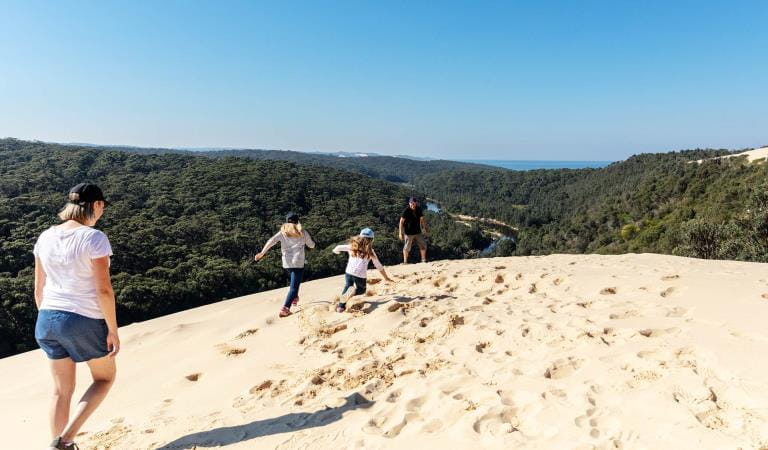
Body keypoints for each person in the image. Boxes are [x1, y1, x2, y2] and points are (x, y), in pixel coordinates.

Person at [34, 183, 119, 450]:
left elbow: (38, 289)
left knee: (61, 391)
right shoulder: (94, 238)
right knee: (104, 378)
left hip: (46, 318)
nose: (102, 211)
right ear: (96, 205)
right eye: (102, 206)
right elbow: (103, 290)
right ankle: (65, 440)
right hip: (81, 318)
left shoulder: (45, 236)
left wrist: (51, 320)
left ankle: (58, 445)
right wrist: (113, 329)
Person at [255, 212, 316, 317]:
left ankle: (294, 297)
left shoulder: (283, 232)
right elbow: (311, 245)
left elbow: (271, 241)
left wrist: (262, 253)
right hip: (298, 262)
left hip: (287, 263)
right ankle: (285, 308)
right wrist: (313, 244)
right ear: (297, 221)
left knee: (295, 282)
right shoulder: (302, 232)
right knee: (294, 287)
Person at [332, 228, 394, 313]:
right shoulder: (370, 251)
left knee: (347, 286)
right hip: (360, 276)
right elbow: (378, 266)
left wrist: (336, 251)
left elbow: (338, 247)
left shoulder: (352, 246)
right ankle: (351, 293)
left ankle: (340, 307)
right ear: (371, 240)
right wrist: (386, 277)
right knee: (361, 290)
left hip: (349, 272)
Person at [399, 197, 429, 264]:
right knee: (407, 248)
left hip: (418, 232)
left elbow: (422, 219)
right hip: (408, 233)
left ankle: (423, 260)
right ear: (409, 203)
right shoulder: (406, 211)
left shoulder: (418, 209)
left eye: (414, 203)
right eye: (411, 203)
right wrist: (400, 233)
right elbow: (401, 222)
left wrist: (425, 228)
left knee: (423, 245)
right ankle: (405, 262)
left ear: (416, 203)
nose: (412, 204)